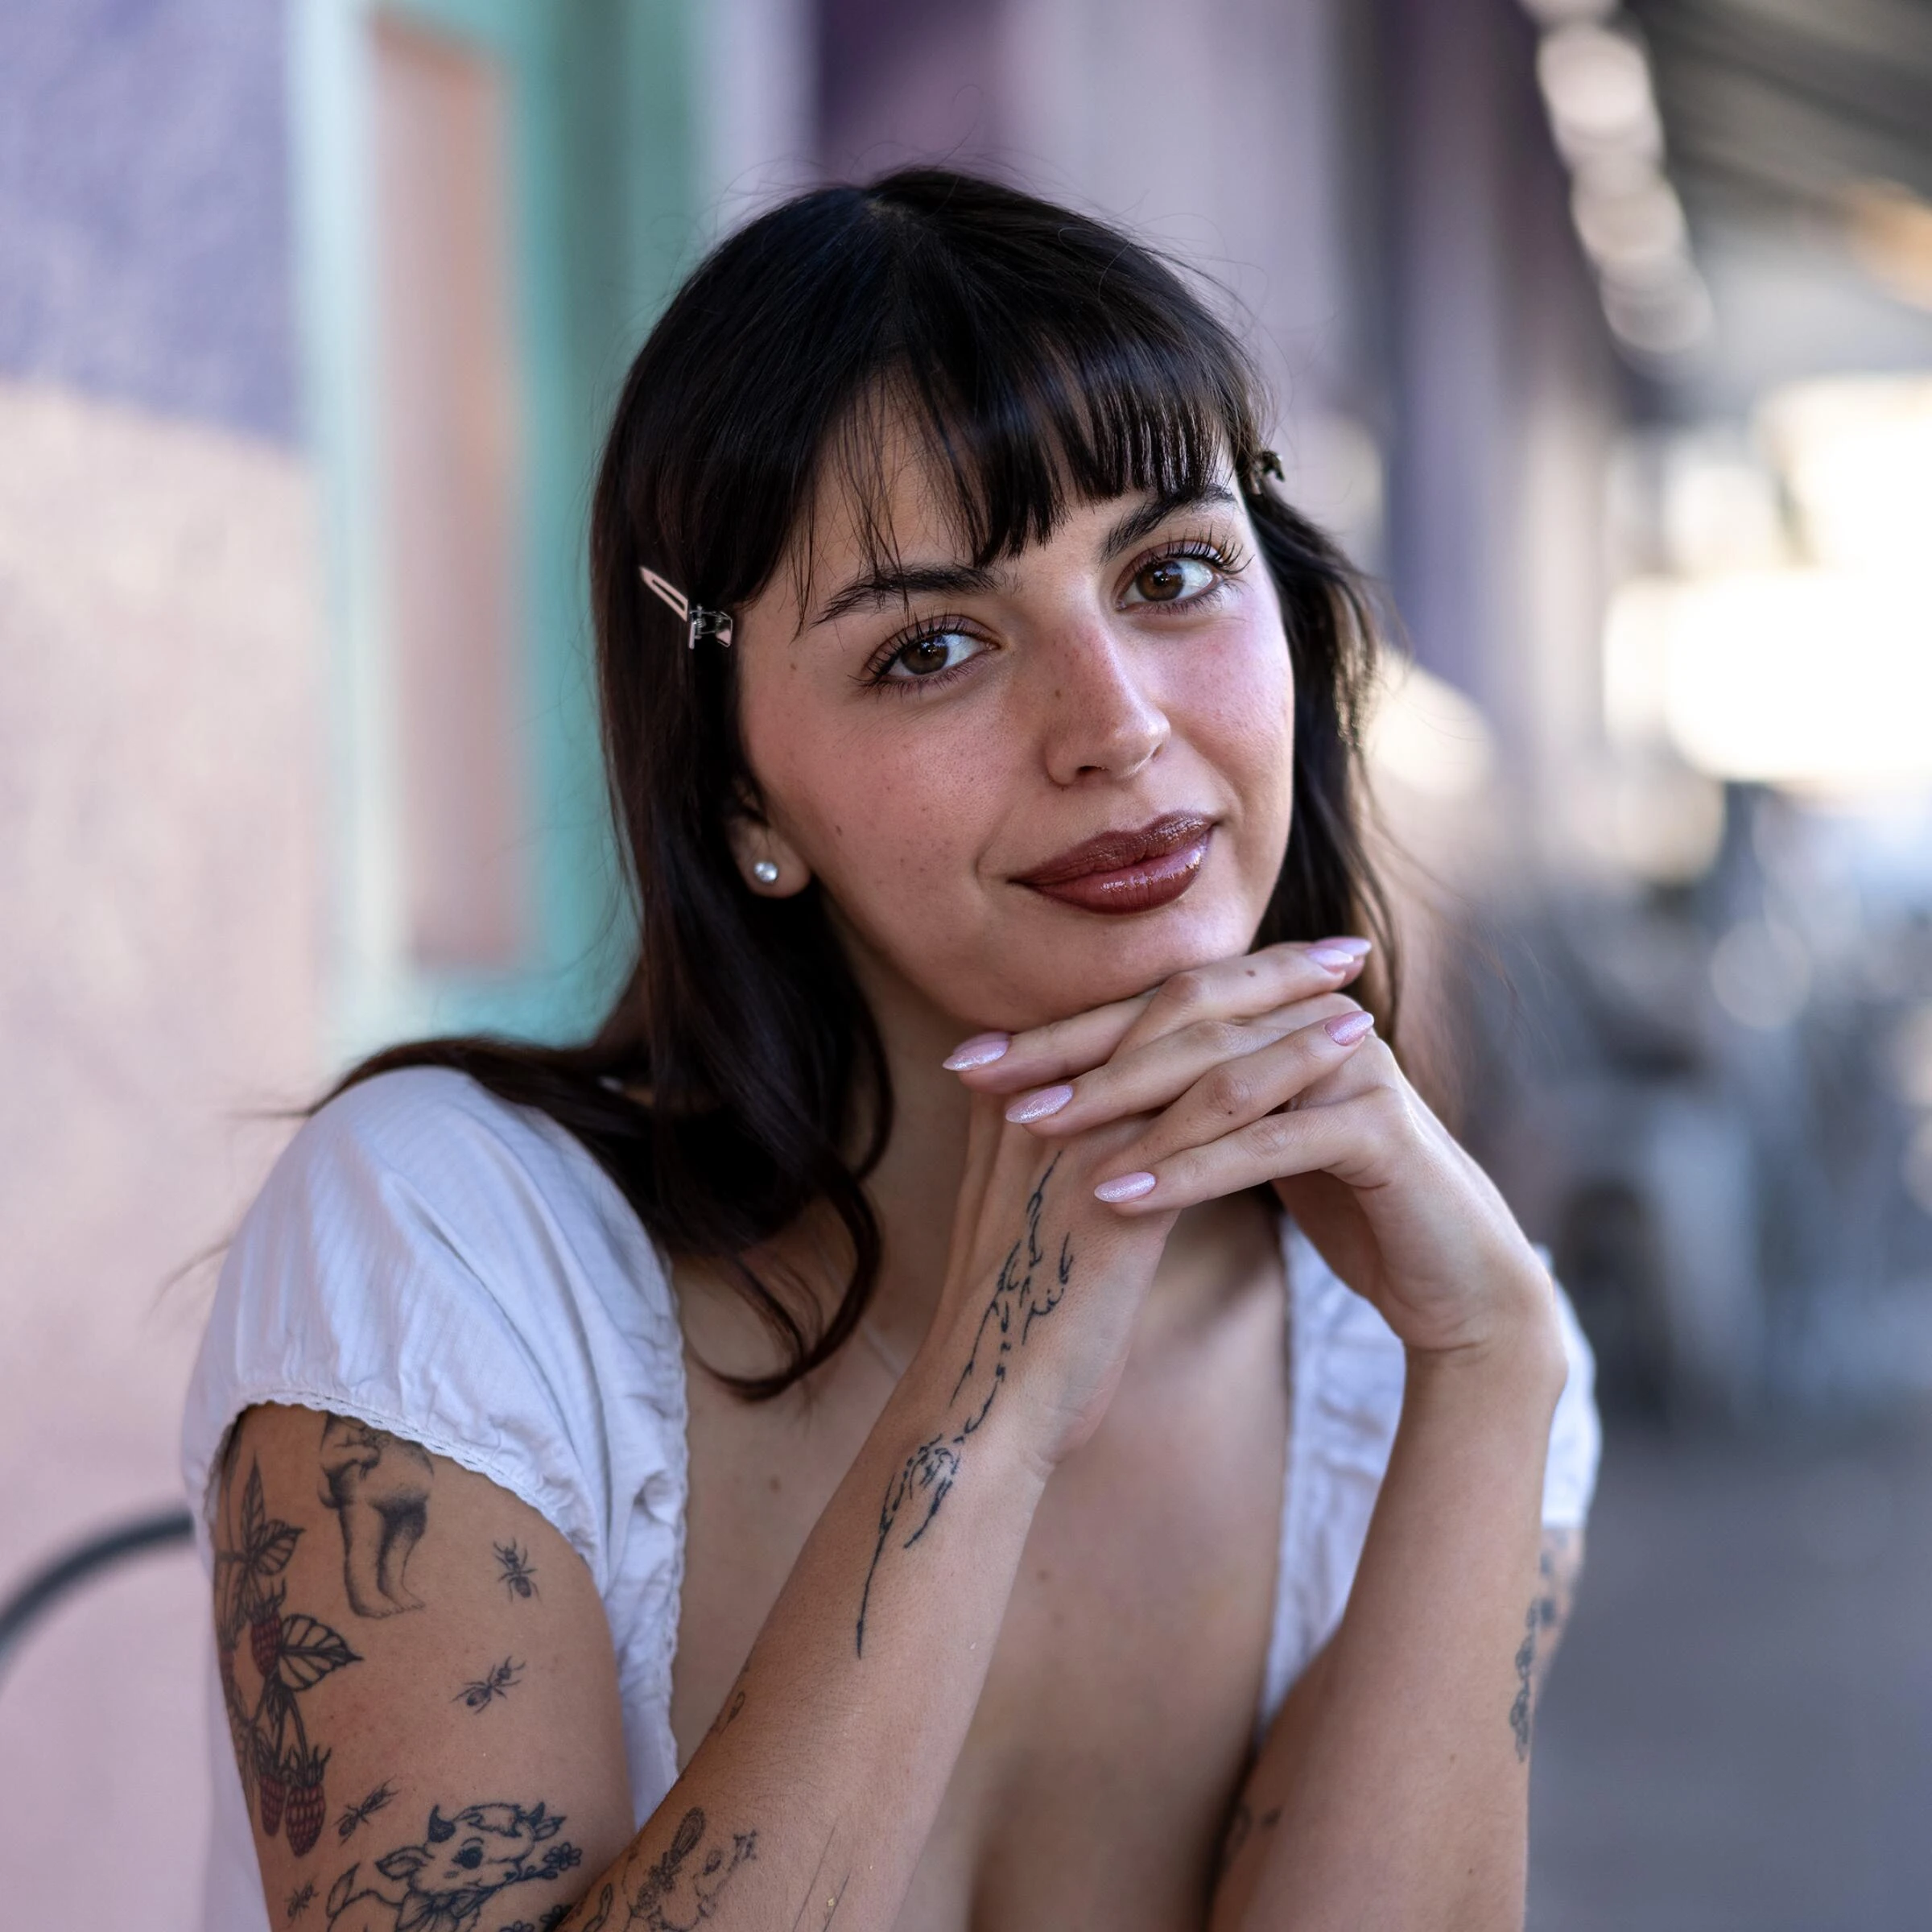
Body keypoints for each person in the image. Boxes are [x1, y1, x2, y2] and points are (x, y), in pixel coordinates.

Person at [183, 167, 1597, 1932]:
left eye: (1172, 570)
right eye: (931, 646)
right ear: (738, 791)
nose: (1118, 724)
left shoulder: (1411, 1355)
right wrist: (979, 1416)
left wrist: (1497, 1368)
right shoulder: (450, 1260)